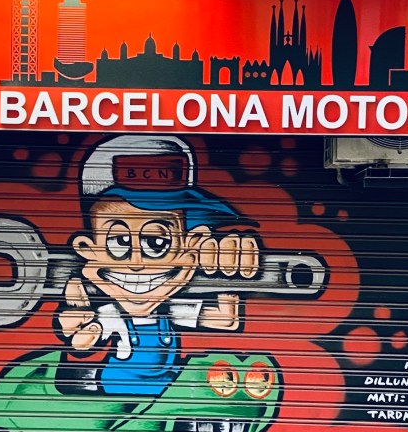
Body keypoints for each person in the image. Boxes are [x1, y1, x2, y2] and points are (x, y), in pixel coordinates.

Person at [57, 135, 259, 396]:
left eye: (157, 242)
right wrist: (79, 323)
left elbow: (226, 320)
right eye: (119, 242)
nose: (137, 264)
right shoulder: (113, 314)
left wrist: (228, 272)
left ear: (190, 244)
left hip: (165, 396)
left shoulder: (169, 311)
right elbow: (84, 341)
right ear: (87, 249)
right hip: (120, 394)